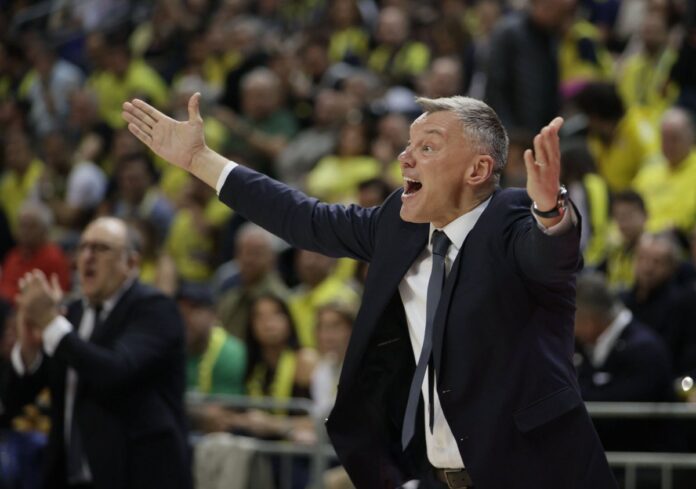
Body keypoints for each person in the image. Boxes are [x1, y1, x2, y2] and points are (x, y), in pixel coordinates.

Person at [123, 93, 616, 488]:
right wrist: (200, 160)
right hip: (440, 475)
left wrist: (550, 210)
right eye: (408, 144)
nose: (405, 157)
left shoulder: (512, 219)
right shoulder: (397, 226)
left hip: (539, 472)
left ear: (477, 171)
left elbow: (552, 255)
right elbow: (304, 218)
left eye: (427, 148)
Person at [7, 217, 192, 489]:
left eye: (101, 248)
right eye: (82, 247)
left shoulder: (155, 309)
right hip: (67, 478)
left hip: (139, 476)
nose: (87, 257)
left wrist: (50, 323)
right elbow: (14, 401)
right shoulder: (71, 315)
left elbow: (116, 370)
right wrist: (29, 349)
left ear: (131, 263)